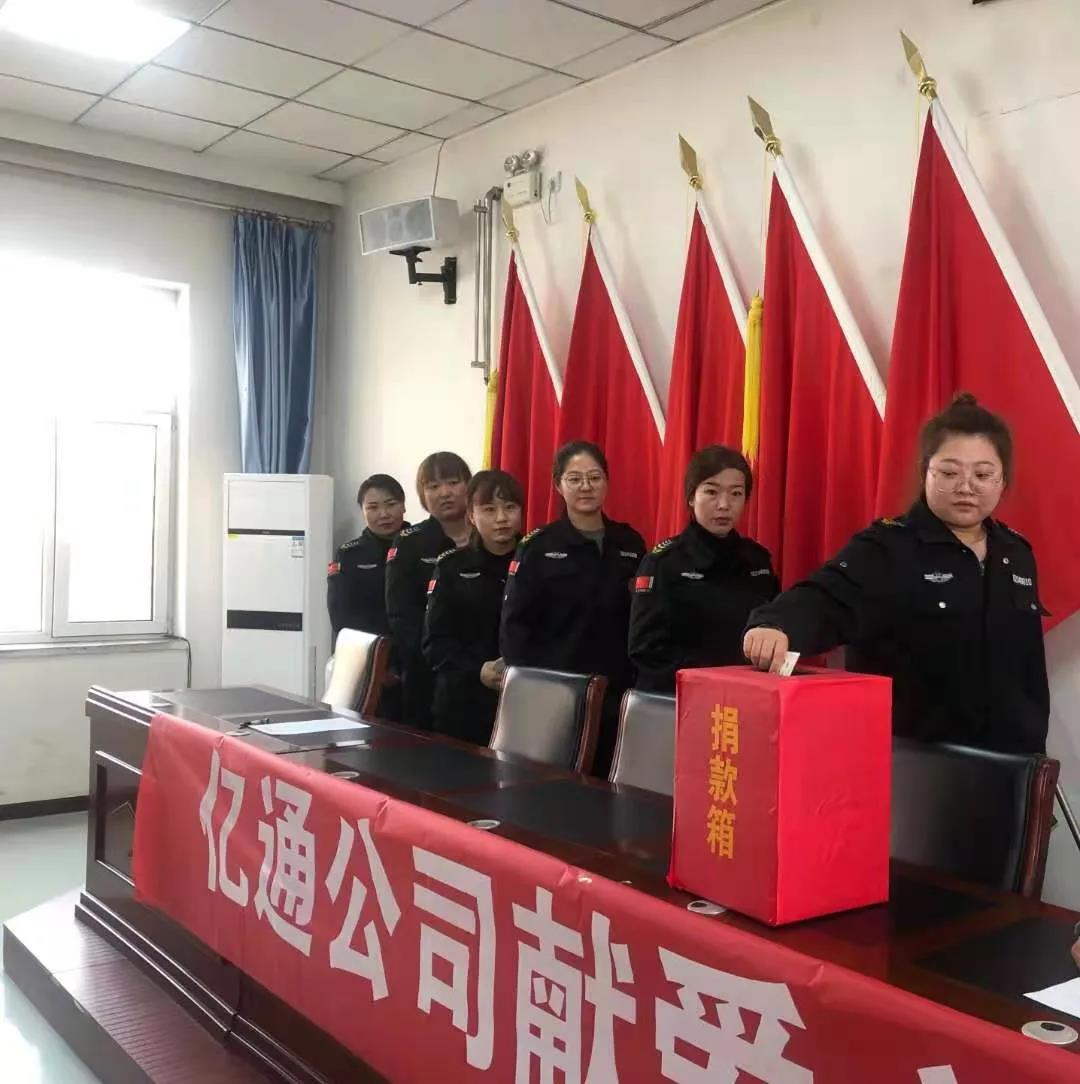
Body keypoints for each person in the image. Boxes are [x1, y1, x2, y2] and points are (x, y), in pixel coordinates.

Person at [744, 394, 1050, 754]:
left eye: (983, 475)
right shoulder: (888, 547)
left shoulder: (1015, 553)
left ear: (1002, 481)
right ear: (925, 472)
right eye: (949, 473)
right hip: (916, 763)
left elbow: (1030, 668)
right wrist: (776, 624)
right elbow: (825, 597)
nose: (966, 487)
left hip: (1014, 762)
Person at [500, 441, 646, 776]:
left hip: (616, 691)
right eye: (575, 479)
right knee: (555, 783)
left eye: (594, 477)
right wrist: (532, 689)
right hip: (556, 692)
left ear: (606, 482)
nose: (586, 487)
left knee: (611, 780)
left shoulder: (630, 543)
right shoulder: (538, 547)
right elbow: (514, 628)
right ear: (558, 485)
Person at [629, 446, 778, 693]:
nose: (724, 505)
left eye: (736, 493)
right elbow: (646, 650)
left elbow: (772, 628)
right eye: (711, 492)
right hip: (681, 698)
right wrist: (710, 683)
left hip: (747, 695)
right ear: (691, 497)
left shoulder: (757, 561)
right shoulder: (664, 562)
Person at [422, 470, 523, 745]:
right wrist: (477, 669)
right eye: (489, 509)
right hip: (464, 702)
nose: (501, 518)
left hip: (525, 701)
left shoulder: (536, 562)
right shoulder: (452, 567)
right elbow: (435, 643)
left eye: (510, 507)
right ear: (471, 515)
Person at [386, 452, 472, 729]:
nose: (445, 493)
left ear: (469, 485)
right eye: (433, 486)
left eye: (453, 483)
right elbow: (401, 613)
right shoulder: (409, 542)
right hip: (427, 673)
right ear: (422, 494)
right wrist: (435, 656)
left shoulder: (488, 535)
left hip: (481, 672)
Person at [326, 474, 407, 643]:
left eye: (391, 504)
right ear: (362, 511)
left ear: (403, 505)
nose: (384, 514)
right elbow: (340, 615)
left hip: (418, 650)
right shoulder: (349, 554)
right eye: (373, 507)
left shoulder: (424, 546)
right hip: (369, 649)